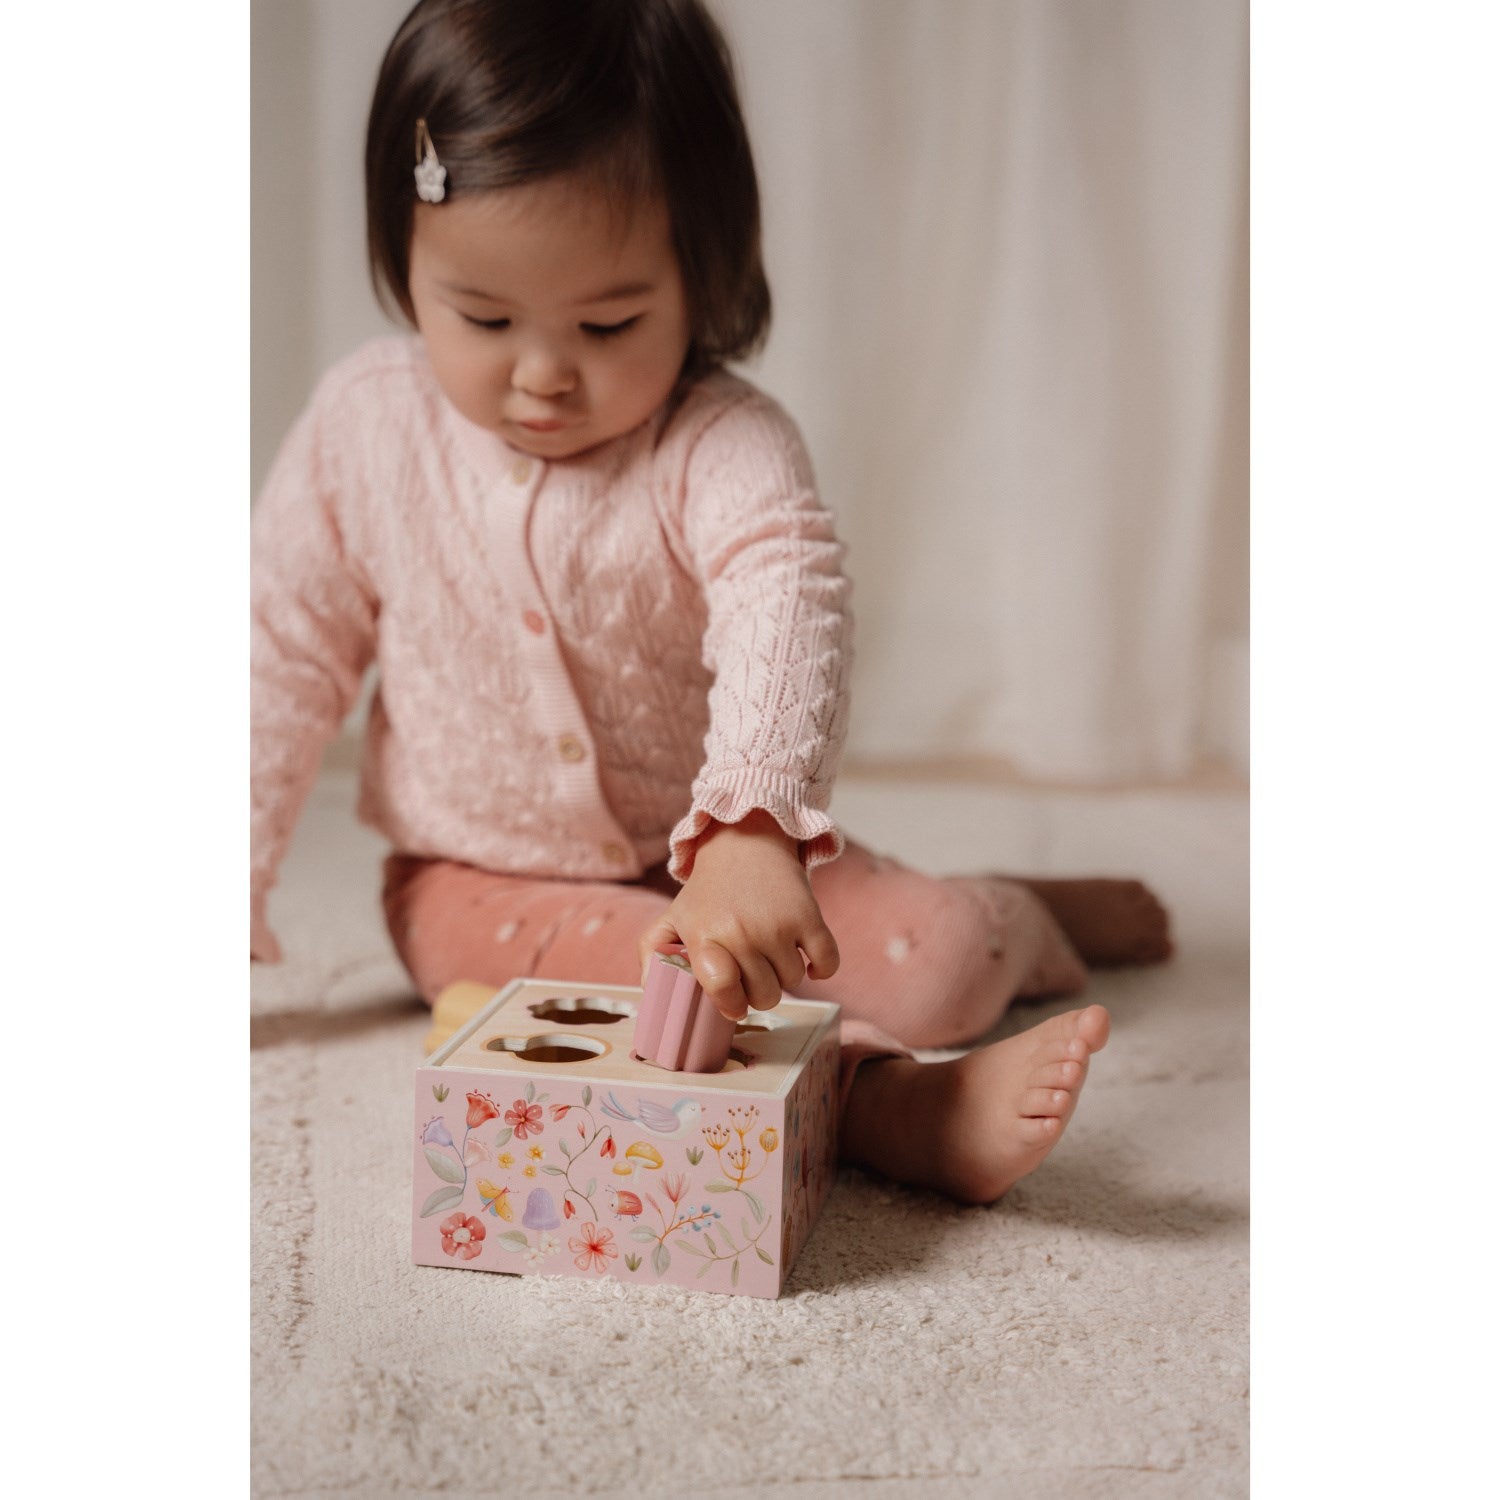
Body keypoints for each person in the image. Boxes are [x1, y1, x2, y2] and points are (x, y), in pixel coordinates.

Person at [252, 0, 1171, 1206]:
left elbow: (787, 605)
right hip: (477, 881)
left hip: (731, 852)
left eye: (609, 322)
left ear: (703, 273)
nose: (542, 373)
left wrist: (749, 832)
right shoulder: (364, 431)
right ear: (403, 258)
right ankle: (887, 1105)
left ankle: (1017, 912)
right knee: (615, 1008)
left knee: (937, 964)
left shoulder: (722, 443)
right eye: (482, 318)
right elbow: (278, 650)